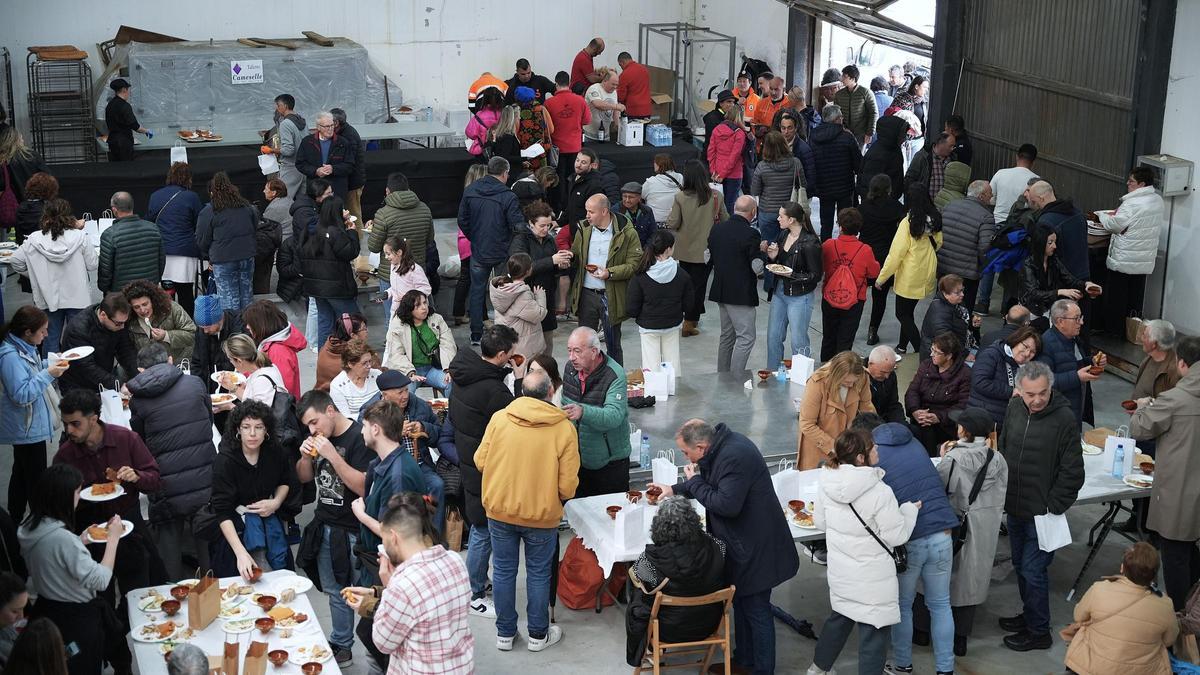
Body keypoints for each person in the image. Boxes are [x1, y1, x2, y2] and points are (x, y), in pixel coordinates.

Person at [649, 419, 799, 675]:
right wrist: (673, 489)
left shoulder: (734, 457)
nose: (685, 457)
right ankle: (744, 661)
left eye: (686, 452)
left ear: (701, 446)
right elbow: (709, 482)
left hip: (756, 546)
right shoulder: (720, 449)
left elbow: (726, 504)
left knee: (756, 610)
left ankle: (763, 670)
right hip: (743, 544)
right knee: (740, 602)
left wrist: (693, 482)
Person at [474, 369, 578, 652]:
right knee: (538, 573)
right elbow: (568, 485)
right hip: (541, 515)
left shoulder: (499, 419)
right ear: (550, 393)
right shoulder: (563, 428)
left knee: (504, 572)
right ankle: (537, 635)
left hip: (500, 511)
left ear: (521, 393)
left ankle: (505, 635)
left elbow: (480, 460)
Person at [806, 429, 919, 675]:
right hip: (873, 581)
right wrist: (909, 511)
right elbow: (896, 536)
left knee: (839, 620)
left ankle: (818, 669)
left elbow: (821, 523)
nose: (878, 451)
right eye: (873, 448)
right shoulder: (880, 492)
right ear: (860, 458)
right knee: (873, 636)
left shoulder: (827, 482)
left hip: (842, 573)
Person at [853, 414, 959, 675]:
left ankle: (903, 665)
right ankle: (946, 669)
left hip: (910, 537)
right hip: (943, 531)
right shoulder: (913, 442)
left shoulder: (873, 457)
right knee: (941, 604)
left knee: (903, 606)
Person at [54, 388, 164, 618]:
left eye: (75, 424)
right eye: (66, 424)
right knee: (99, 604)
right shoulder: (65, 455)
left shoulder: (126, 439)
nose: (69, 430)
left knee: (139, 597)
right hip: (90, 531)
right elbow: (58, 503)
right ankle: (112, 644)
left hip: (129, 526)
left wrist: (137, 476)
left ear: (94, 418)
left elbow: (155, 479)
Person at [998, 361, 1084, 651]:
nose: (1037, 400)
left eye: (1042, 393)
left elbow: (1073, 472)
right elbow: (1004, 447)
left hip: (1043, 515)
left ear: (1051, 388)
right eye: (1030, 394)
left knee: (1033, 571)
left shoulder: (1064, 419)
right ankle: (1029, 616)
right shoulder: (1014, 409)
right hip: (1016, 508)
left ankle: (1038, 632)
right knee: (1021, 567)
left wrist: (1053, 506)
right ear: (1019, 391)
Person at [18, 465, 127, 674]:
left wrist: (81, 540)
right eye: (77, 492)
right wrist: (113, 539)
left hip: (47, 611)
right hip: (76, 620)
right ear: (63, 497)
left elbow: (51, 556)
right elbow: (101, 579)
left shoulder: (29, 529)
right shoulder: (62, 539)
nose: (79, 497)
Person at [294, 389, 374, 667]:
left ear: (330, 410)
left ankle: (377, 649)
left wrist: (332, 455)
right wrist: (305, 457)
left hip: (355, 530)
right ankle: (342, 645)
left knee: (364, 593)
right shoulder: (319, 440)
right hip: (326, 525)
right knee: (335, 592)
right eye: (308, 426)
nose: (312, 429)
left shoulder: (359, 438)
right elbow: (304, 478)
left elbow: (363, 486)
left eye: (314, 422)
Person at [924, 407, 1008, 657]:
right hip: (984, 526)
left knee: (934, 575)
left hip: (953, 525)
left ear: (964, 431)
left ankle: (921, 631)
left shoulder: (953, 458)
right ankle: (961, 639)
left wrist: (942, 456)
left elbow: (938, 488)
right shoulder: (998, 459)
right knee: (969, 580)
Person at [126, 343, 214, 579]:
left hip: (166, 485)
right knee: (209, 546)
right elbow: (209, 419)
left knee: (168, 550)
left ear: (141, 370)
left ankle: (171, 597)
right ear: (171, 360)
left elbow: (141, 444)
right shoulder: (195, 383)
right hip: (204, 478)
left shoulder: (138, 401)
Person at [447, 324, 516, 618]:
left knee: (479, 524)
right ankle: (473, 590)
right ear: (501, 355)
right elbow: (515, 422)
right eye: (510, 354)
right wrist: (520, 380)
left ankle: (476, 581)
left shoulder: (465, 372)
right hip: (487, 468)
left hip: (468, 457)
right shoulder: (493, 390)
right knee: (483, 529)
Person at [1128, 335, 1200, 611]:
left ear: (1182, 364)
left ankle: (1180, 617)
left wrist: (1144, 407)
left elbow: (1139, 428)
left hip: (1179, 489)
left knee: (1175, 554)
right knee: (1191, 551)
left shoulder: (1175, 399)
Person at [364, 493, 473, 673]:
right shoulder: (455, 559)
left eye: (383, 540)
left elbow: (383, 642)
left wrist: (389, 587)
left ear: (393, 537)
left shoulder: (401, 583)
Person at [625, 497, 726, 667]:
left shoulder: (652, 559)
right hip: (708, 624)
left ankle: (648, 650)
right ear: (693, 520)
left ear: (658, 525)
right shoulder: (717, 546)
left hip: (667, 630)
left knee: (638, 594)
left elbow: (634, 575)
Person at [210, 400, 299, 579]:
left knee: (280, 580)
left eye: (258, 427)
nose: (252, 434)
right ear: (238, 429)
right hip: (237, 530)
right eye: (246, 427)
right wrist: (240, 553)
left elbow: (286, 480)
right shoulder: (225, 461)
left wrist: (276, 502)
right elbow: (222, 511)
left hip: (271, 524)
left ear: (266, 430)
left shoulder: (275, 452)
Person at [1063, 542, 1178, 675]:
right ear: (1154, 575)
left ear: (1122, 568)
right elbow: (1169, 640)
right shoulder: (1165, 604)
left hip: (1091, 666)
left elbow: (1078, 616)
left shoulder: (1099, 589)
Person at [0, 306, 68, 522]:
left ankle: (15, 516)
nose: (47, 335)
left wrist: (50, 364)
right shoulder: (9, 357)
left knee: (21, 473)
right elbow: (21, 394)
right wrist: (48, 374)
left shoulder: (21, 345)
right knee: (35, 478)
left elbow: (32, 369)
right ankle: (39, 522)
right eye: (43, 331)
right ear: (28, 331)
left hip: (27, 425)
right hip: (26, 426)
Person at [7, 197, 96, 355]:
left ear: (45, 215)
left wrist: (34, 276)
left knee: (49, 339)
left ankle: (51, 376)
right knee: (78, 339)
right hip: (78, 297)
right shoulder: (80, 237)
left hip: (47, 298)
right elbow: (92, 265)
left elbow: (16, 261)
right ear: (69, 216)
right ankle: (76, 375)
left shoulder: (34, 239)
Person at [568, 194, 642, 365]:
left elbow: (634, 264)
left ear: (604, 211)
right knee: (584, 343)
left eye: (591, 212)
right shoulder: (584, 229)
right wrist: (570, 257)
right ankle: (586, 380)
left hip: (611, 295)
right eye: (587, 211)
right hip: (586, 295)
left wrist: (610, 273)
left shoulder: (626, 232)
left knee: (613, 343)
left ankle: (616, 380)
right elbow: (577, 254)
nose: (587, 215)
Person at [1089, 166, 1164, 332]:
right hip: (1143, 259)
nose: (1127, 184)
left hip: (1124, 258)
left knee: (1117, 297)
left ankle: (1114, 332)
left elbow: (1115, 225)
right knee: (1135, 298)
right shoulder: (1157, 200)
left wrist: (1102, 216)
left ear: (1142, 184)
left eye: (1131, 181)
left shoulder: (1132, 203)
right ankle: (1132, 331)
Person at [459, 156, 525, 344]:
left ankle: (476, 334)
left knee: (477, 290)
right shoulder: (508, 196)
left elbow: (462, 220)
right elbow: (517, 225)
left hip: (479, 250)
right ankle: (503, 332)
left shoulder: (470, 190)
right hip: (502, 252)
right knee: (504, 292)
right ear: (505, 174)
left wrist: (475, 237)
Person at [563, 327, 631, 496]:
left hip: (610, 463)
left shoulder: (614, 375)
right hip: (579, 459)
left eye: (577, 351)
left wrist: (583, 412)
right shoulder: (570, 369)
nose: (572, 357)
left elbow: (614, 416)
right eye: (569, 351)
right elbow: (566, 405)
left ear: (594, 351)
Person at [877, 184, 943, 355]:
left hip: (910, 273)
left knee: (902, 314)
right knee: (908, 312)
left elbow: (896, 254)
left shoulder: (908, 222)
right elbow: (939, 243)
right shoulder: (935, 218)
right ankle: (902, 345)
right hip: (927, 270)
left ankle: (922, 349)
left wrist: (881, 278)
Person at [666, 159, 728, 337]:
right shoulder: (716, 196)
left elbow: (673, 222)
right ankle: (690, 321)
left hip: (684, 250)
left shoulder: (680, 197)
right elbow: (725, 219)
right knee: (699, 286)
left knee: (685, 284)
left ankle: (686, 317)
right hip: (707, 251)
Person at [627, 229, 693, 376]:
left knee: (651, 366)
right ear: (669, 249)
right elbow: (689, 305)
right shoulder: (682, 275)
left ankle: (654, 393)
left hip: (648, 326)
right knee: (672, 363)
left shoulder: (640, 275)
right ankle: (672, 389)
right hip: (672, 324)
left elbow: (632, 308)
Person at [708, 195, 761, 372]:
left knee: (727, 337)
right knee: (746, 338)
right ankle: (736, 378)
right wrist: (762, 252)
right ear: (753, 212)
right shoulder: (752, 234)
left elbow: (708, 257)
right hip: (740, 294)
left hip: (721, 291)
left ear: (734, 208)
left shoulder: (717, 230)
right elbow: (757, 268)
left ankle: (722, 376)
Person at [299, 197, 361, 349]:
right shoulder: (334, 232)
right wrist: (352, 233)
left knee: (325, 323)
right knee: (354, 322)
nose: (346, 212)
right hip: (336, 288)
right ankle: (356, 356)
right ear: (336, 212)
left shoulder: (312, 229)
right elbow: (350, 252)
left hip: (317, 288)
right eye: (343, 209)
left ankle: (324, 361)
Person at [765, 202, 822, 366]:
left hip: (800, 296)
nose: (778, 218)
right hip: (780, 291)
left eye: (781, 216)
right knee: (773, 336)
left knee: (798, 339)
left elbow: (815, 275)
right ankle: (773, 371)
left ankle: (802, 376)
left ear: (791, 220)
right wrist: (773, 256)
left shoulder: (810, 243)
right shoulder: (783, 235)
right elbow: (778, 263)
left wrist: (792, 274)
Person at [367, 172, 434, 311]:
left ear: (387, 191)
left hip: (391, 275)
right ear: (408, 189)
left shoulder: (383, 214)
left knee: (394, 322)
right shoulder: (425, 209)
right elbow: (429, 240)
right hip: (417, 270)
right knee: (421, 316)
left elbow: (373, 246)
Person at [799, 351, 876, 470]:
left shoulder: (862, 377)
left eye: (854, 382)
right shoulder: (817, 383)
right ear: (836, 376)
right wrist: (837, 448)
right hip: (819, 452)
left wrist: (869, 439)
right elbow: (807, 424)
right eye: (846, 382)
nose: (851, 386)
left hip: (849, 452)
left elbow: (867, 410)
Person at [194, 171, 258, 313]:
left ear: (212, 192)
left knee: (228, 299)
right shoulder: (247, 207)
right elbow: (254, 228)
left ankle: (233, 332)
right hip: (247, 255)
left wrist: (208, 255)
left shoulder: (210, 211)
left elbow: (202, 239)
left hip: (223, 258)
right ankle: (249, 329)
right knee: (247, 296)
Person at [820, 208, 880, 360]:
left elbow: (820, 266)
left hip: (830, 297)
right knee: (845, 340)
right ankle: (841, 372)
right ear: (858, 228)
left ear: (840, 226)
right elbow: (874, 273)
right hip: (854, 300)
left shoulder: (828, 245)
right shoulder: (865, 250)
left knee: (828, 337)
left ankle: (824, 372)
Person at [752, 131, 807, 292]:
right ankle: (789, 280)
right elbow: (803, 184)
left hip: (768, 212)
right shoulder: (795, 162)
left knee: (770, 248)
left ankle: (770, 285)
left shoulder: (762, 166)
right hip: (790, 213)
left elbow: (755, 189)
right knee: (791, 246)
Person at [510, 201, 568, 353]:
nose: (546, 229)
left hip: (547, 296)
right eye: (542, 225)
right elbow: (521, 269)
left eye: (548, 225)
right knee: (528, 346)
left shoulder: (549, 239)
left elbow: (552, 267)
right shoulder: (520, 239)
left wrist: (560, 264)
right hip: (527, 298)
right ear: (531, 223)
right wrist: (551, 261)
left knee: (547, 344)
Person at [148, 163, 204, 315]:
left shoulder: (155, 196)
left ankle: (168, 326)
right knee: (186, 295)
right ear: (188, 178)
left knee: (166, 294)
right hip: (185, 251)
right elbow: (198, 223)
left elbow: (151, 222)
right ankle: (188, 329)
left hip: (163, 252)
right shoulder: (191, 197)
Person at [1037, 299, 1102, 429]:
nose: (1081, 322)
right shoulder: (1046, 344)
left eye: (1081, 317)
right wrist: (1077, 377)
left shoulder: (1073, 339)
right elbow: (1043, 382)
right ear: (1060, 321)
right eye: (1077, 318)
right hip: (1056, 416)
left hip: (1073, 409)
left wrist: (1091, 361)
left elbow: (1072, 363)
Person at [859, 175, 907, 346]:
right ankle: (873, 331)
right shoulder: (896, 208)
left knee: (858, 294)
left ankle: (852, 326)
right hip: (885, 258)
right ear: (889, 189)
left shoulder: (863, 207)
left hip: (864, 256)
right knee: (880, 297)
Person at [905, 331, 972, 454]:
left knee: (926, 432)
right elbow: (912, 391)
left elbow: (963, 405)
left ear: (949, 356)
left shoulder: (964, 374)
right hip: (922, 417)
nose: (931, 354)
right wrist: (914, 410)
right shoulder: (926, 366)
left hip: (946, 424)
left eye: (937, 352)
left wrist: (938, 417)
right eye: (932, 349)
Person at [57, 293, 138, 393]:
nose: (122, 327)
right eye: (118, 323)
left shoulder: (116, 321)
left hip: (101, 377)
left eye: (124, 322)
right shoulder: (79, 329)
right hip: (77, 385)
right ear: (103, 315)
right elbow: (87, 367)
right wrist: (118, 384)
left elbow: (125, 350)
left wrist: (137, 374)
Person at [1020, 226, 1098, 326]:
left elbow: (1070, 279)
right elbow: (1033, 293)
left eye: (1055, 242)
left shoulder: (1053, 260)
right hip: (1032, 311)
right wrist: (1060, 292)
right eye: (1050, 243)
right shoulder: (1028, 265)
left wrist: (1086, 284)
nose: (1054, 246)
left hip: (1048, 308)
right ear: (1040, 243)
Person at [939, 180, 996, 315]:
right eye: (990, 194)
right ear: (981, 196)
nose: (992, 197)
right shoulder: (986, 217)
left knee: (942, 304)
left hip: (944, 266)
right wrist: (982, 267)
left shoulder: (949, 206)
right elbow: (985, 247)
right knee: (964, 310)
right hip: (967, 273)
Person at [385, 290, 455, 396]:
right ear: (409, 308)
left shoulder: (436, 319)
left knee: (450, 382)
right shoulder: (397, 325)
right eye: (418, 305)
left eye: (425, 302)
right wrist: (410, 373)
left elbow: (448, 345)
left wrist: (448, 369)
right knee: (404, 392)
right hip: (410, 370)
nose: (424, 307)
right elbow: (395, 354)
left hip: (434, 368)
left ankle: (451, 412)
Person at [968, 326, 1042, 426]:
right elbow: (980, 382)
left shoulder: (1026, 368)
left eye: (1033, 352)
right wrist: (1011, 391)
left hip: (1005, 424)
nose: (1027, 353)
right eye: (1025, 346)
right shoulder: (992, 354)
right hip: (981, 421)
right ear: (1017, 340)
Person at [809, 104, 862, 240]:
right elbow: (858, 164)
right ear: (837, 119)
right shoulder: (847, 137)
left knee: (825, 222)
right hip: (844, 187)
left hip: (824, 187)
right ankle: (844, 246)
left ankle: (826, 248)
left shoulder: (814, 136)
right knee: (846, 221)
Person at [490, 253, 546, 380]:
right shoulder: (521, 294)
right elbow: (539, 314)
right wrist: (540, 296)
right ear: (528, 271)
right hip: (522, 347)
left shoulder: (502, 288)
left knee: (512, 378)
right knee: (523, 381)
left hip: (507, 344)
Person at [98, 191, 164, 293]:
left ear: (114, 209)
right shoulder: (154, 228)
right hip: (149, 291)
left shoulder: (109, 234)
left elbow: (105, 271)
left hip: (122, 294)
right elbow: (161, 261)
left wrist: (106, 290)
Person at [242, 299, 306, 398]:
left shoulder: (278, 352)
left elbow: (282, 390)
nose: (247, 327)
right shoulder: (270, 343)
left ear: (261, 325)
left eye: (250, 323)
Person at [122, 279, 196, 365]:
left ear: (153, 301)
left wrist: (166, 336)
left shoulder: (171, 309)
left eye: (145, 304)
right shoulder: (129, 320)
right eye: (136, 307)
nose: (142, 310)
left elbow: (192, 334)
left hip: (178, 363)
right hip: (148, 369)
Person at [1029, 180, 1090, 284]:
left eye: (1034, 202)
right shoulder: (1077, 213)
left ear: (1041, 198)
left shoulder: (1046, 222)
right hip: (1083, 273)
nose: (1034, 206)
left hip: (1061, 280)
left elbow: (1042, 255)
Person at [545, 71, 591, 189]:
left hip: (556, 148)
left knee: (558, 179)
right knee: (573, 177)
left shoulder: (549, 103)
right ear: (569, 83)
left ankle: (559, 204)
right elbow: (586, 120)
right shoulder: (580, 100)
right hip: (575, 147)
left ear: (556, 84)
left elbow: (546, 126)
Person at [297, 111, 357, 198]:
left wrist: (333, 169)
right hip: (315, 190)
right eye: (327, 126)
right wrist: (316, 171)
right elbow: (300, 164)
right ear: (318, 127)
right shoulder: (307, 142)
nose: (330, 129)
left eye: (332, 125)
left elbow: (350, 165)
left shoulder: (343, 142)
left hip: (336, 190)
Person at [216, 334, 286, 409]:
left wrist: (230, 407)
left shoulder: (261, 381)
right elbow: (251, 400)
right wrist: (233, 388)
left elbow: (257, 417)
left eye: (230, 359)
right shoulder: (265, 368)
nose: (230, 362)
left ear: (239, 361)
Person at [920, 274, 979, 361]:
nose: (962, 294)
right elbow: (946, 340)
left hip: (961, 347)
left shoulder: (955, 302)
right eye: (958, 292)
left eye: (962, 290)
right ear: (945, 294)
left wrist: (972, 322)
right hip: (941, 358)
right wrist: (965, 355)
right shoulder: (939, 312)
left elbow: (959, 320)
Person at [189, 296, 244, 388]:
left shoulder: (238, 326)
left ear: (219, 319)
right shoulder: (202, 330)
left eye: (208, 327)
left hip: (235, 386)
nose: (205, 331)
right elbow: (196, 362)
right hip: (211, 387)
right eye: (202, 328)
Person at [707, 103, 749, 216]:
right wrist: (723, 174)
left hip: (716, 173)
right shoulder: (740, 133)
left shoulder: (716, 129)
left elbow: (711, 152)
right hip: (733, 174)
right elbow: (734, 157)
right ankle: (729, 229)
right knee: (730, 205)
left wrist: (714, 171)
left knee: (716, 205)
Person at [857, 116, 910, 201]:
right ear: (893, 134)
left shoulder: (893, 149)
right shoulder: (878, 155)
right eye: (902, 134)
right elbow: (868, 184)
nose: (905, 137)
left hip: (888, 201)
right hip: (877, 204)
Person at [315, 312, 369, 393]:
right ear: (353, 335)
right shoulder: (355, 356)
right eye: (364, 329)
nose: (367, 331)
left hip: (321, 394)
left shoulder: (327, 346)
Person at [330, 338, 382, 419]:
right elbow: (345, 418)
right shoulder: (338, 386)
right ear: (350, 364)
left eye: (370, 361)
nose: (369, 366)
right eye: (364, 363)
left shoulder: (377, 375)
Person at [330, 108, 367, 221]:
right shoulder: (344, 132)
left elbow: (348, 162)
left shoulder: (348, 136)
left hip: (353, 183)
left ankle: (358, 237)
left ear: (336, 123)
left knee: (353, 214)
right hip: (350, 181)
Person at [1131, 319, 1182, 400]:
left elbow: (1172, 404)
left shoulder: (1173, 371)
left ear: (1154, 343)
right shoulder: (1149, 358)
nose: (1141, 338)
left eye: (1144, 336)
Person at [382, 236, 431, 318]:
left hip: (412, 312)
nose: (386, 257)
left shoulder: (414, 269)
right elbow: (397, 287)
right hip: (397, 310)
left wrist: (410, 300)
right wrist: (387, 293)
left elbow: (425, 289)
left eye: (388, 254)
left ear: (399, 252)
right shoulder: (393, 266)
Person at [990, 143, 1040, 224]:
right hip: (1018, 227)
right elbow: (1036, 207)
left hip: (996, 222)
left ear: (1016, 157)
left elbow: (990, 199)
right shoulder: (1037, 181)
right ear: (1034, 161)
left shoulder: (1001, 173)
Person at [271, 94, 307, 199]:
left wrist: (271, 150)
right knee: (302, 202)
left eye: (278, 106)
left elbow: (288, 150)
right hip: (303, 168)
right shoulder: (302, 121)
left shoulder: (285, 124)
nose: (277, 109)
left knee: (283, 199)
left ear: (285, 106)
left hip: (290, 168)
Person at [103, 79, 149, 161]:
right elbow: (135, 126)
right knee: (126, 169)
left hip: (112, 141)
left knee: (116, 169)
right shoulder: (125, 106)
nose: (129, 93)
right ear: (124, 90)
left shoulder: (110, 105)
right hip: (123, 143)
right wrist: (147, 131)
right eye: (128, 90)